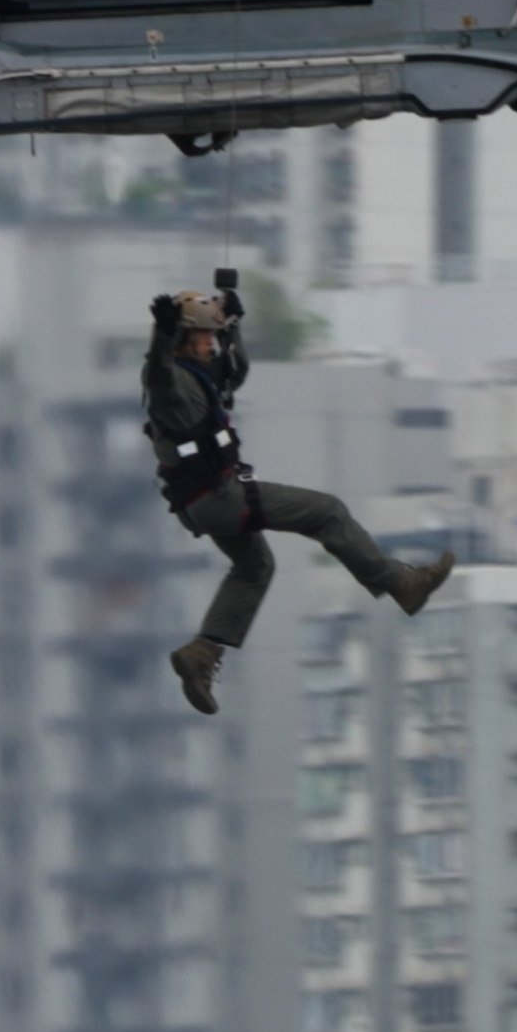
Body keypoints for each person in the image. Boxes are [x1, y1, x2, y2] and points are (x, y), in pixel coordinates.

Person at [143, 285, 450, 714]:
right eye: (204, 336)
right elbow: (155, 375)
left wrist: (233, 326)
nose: (210, 343)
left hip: (203, 501)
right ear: (183, 337)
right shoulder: (172, 383)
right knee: (328, 512)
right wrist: (161, 331)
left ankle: (202, 653)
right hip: (220, 496)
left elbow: (237, 371)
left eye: (213, 336)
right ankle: (401, 584)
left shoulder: (200, 376)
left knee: (256, 567)